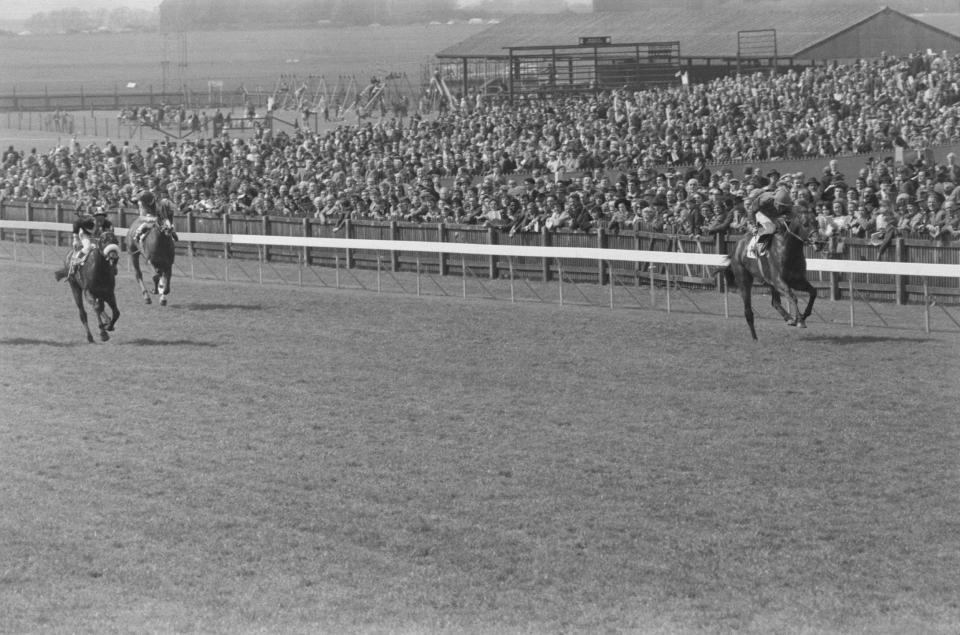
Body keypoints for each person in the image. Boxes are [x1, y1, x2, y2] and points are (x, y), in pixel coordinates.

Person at [67, 207, 112, 277]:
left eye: (102, 217)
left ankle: (111, 267)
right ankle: (74, 264)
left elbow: (109, 233)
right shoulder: (87, 221)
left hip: (96, 235)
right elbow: (76, 223)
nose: (100, 219)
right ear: (94, 217)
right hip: (85, 234)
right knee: (87, 247)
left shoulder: (107, 223)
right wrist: (75, 239)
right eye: (98, 217)